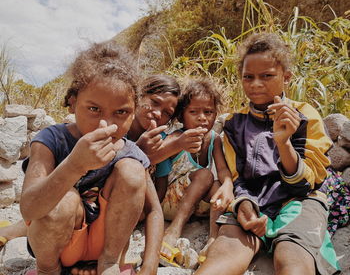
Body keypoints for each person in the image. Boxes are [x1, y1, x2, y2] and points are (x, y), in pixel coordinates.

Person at [195, 32, 341, 275]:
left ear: (286, 77)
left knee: (292, 261)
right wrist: (242, 205)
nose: (255, 84)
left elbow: (307, 184)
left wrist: (284, 144)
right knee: (220, 261)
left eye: (267, 76)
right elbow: (236, 178)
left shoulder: (305, 115)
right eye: (248, 77)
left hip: (299, 201)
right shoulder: (234, 123)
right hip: (253, 200)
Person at [19, 40, 163, 275]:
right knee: (64, 197)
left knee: (132, 170)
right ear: (73, 102)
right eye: (94, 109)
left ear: (134, 110)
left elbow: (154, 210)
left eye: (121, 112)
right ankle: (49, 271)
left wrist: (149, 267)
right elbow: (29, 210)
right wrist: (74, 166)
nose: (106, 124)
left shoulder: (130, 152)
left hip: (104, 250)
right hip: (58, 248)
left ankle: (109, 265)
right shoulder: (51, 140)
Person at [154, 78, 234, 267]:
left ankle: (213, 238)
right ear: (181, 116)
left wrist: (228, 185)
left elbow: (223, 170)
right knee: (206, 175)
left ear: (216, 115)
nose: (202, 118)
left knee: (217, 184)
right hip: (170, 202)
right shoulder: (176, 138)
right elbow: (159, 170)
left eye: (208, 112)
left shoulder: (214, 139)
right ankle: (174, 230)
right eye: (194, 112)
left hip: (196, 205)